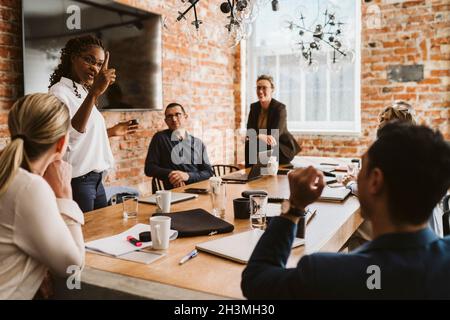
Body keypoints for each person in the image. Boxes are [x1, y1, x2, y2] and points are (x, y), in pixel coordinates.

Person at [242, 123, 450, 299]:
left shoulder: (325, 272)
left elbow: (256, 280)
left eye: (363, 168)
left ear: (375, 181)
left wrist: (294, 207)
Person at [0, 93, 84, 299]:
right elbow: (72, 267)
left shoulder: (12, 177)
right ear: (61, 143)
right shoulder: (29, 187)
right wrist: (65, 194)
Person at [48, 35, 138, 212]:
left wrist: (111, 131)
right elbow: (70, 136)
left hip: (96, 181)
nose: (95, 68)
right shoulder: (59, 92)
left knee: (100, 235)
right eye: (89, 60)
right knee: (86, 237)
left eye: (99, 64)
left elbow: (84, 133)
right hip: (78, 181)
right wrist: (94, 93)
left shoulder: (82, 91)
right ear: (73, 58)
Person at [144, 103, 213, 190]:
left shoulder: (198, 143)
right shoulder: (160, 138)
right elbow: (149, 168)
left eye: (178, 114)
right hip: (172, 192)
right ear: (166, 121)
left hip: (199, 189)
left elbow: (209, 172)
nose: (174, 119)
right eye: (169, 116)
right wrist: (174, 175)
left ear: (185, 117)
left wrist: (187, 176)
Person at [245, 75, 300, 167]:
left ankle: (257, 170)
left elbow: (274, 135)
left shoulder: (280, 108)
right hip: (262, 146)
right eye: (258, 88)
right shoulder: (254, 107)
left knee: (259, 142)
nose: (260, 91)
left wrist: (256, 136)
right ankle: (249, 172)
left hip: (280, 148)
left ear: (272, 90)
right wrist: (259, 135)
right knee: (250, 143)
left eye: (264, 88)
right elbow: (250, 131)